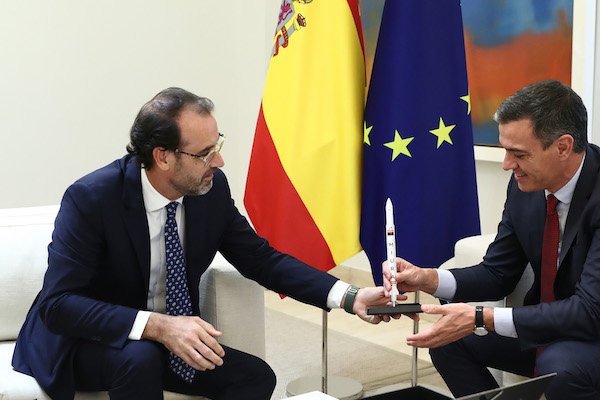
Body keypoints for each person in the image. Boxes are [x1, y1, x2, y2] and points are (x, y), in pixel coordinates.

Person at [12, 87, 401, 400]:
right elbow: (59, 305)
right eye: (205, 154)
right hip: (87, 342)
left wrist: (348, 296)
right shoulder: (92, 199)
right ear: (162, 157)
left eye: (218, 145)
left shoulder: (209, 191)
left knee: (254, 378)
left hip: (170, 341)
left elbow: (261, 260)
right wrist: (159, 327)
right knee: (141, 358)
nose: (220, 162)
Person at [384, 80, 600, 399]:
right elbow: (497, 274)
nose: (508, 165)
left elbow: (592, 312)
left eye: (518, 154)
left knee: (558, 366)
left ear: (563, 146)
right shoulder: (526, 188)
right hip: (559, 327)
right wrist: (428, 278)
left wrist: (482, 317)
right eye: (505, 150)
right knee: (448, 341)